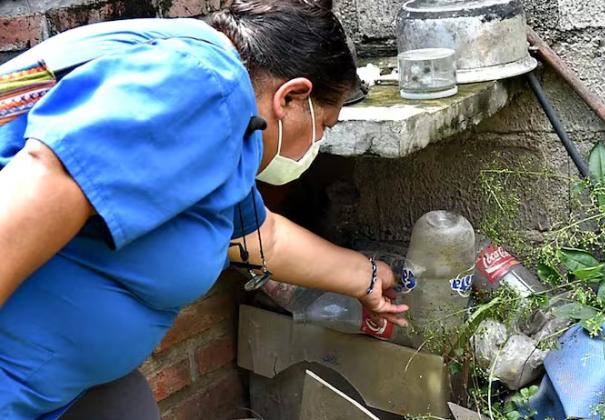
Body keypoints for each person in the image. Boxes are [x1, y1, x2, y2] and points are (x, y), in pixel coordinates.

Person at [0, 0, 408, 418]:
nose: (317, 143)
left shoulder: (221, 124)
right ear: (292, 96)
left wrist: (368, 276)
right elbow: (47, 177)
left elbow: (260, 237)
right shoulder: (208, 85)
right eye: (324, 125)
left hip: (63, 387)